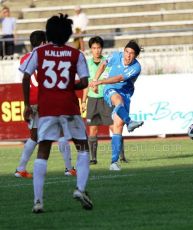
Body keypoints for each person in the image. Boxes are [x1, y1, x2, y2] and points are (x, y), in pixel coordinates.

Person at [20, 14, 93, 213]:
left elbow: (26, 76)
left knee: (43, 150)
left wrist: (27, 104)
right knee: (83, 147)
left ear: (49, 32)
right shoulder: (76, 54)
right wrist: (70, 85)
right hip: (69, 107)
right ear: (68, 34)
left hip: (47, 108)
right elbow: (85, 82)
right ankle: (80, 188)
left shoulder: (39, 52)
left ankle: (38, 201)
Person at [15, 30, 76, 178]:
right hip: (46, 99)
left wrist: (27, 104)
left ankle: (20, 169)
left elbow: (25, 79)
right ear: (43, 42)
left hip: (32, 100)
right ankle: (69, 168)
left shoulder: (24, 58)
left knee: (34, 136)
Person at [89, 40, 144, 171]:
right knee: (118, 101)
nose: (128, 55)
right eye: (126, 52)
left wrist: (99, 82)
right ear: (123, 51)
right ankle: (129, 121)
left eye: (131, 53)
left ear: (136, 56)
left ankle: (114, 162)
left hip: (126, 93)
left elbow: (119, 78)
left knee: (118, 126)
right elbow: (103, 65)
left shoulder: (136, 67)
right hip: (110, 89)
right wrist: (96, 80)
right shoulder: (115, 56)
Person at [82, 36, 128, 165]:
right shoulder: (87, 64)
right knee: (93, 129)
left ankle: (122, 156)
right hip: (92, 100)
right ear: (91, 49)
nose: (96, 50)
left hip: (107, 98)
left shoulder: (108, 62)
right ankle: (93, 158)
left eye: (98, 48)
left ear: (102, 48)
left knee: (115, 127)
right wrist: (84, 101)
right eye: (94, 48)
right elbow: (86, 84)